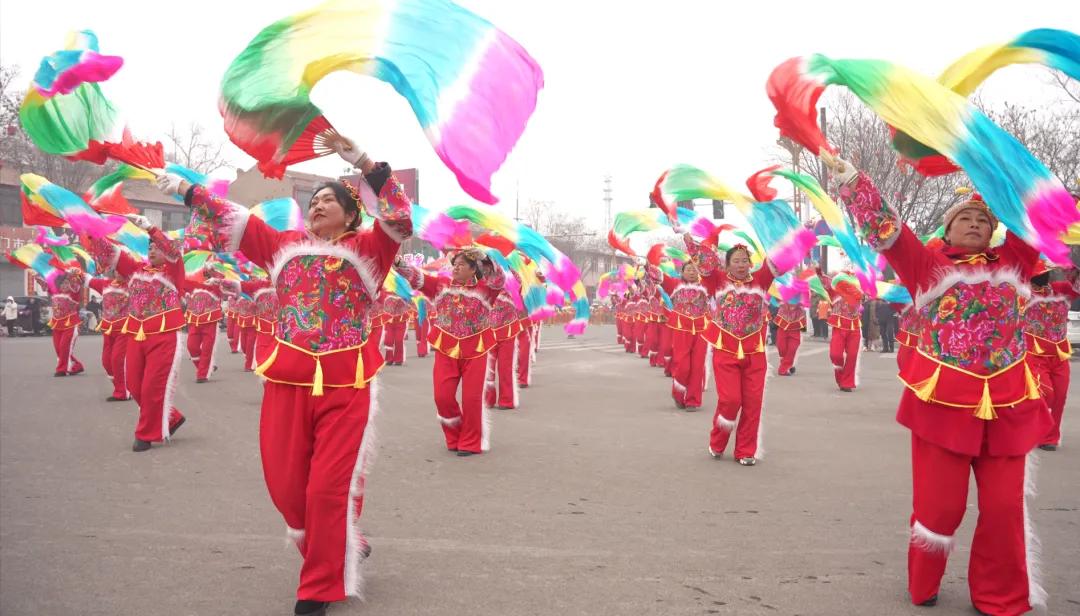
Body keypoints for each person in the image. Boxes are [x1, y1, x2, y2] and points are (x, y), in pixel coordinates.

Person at [157, 134, 412, 616]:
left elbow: (399, 217)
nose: (316, 206)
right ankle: (337, 544)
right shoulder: (283, 245)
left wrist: (360, 160)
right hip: (287, 380)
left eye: (328, 201)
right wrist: (186, 191)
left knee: (325, 489)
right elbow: (232, 218)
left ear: (350, 214)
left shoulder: (371, 249)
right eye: (312, 200)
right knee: (288, 489)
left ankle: (319, 583)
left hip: (347, 384)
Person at [825, 154, 1050, 615]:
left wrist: (1019, 182)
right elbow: (888, 230)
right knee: (940, 508)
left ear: (994, 230)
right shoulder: (928, 268)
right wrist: (851, 179)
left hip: (1008, 405)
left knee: (1005, 510)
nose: (973, 224)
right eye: (963, 218)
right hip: (944, 406)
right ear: (946, 232)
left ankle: (1001, 598)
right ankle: (924, 581)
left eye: (982, 220)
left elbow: (1036, 217)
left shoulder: (1015, 263)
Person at [83, 216, 187, 452]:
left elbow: (173, 251)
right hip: (136, 334)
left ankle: (146, 434)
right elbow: (112, 254)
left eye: (156, 247)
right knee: (134, 384)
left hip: (163, 336)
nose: (152, 250)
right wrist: (90, 228)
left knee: (152, 386)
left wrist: (150, 228)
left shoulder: (173, 272)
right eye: (149, 247)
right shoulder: (136, 270)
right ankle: (170, 417)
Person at [398, 248, 504, 456]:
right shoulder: (441, 286)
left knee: (472, 399)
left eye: (462, 264)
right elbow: (418, 277)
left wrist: (486, 259)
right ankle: (454, 434)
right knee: (442, 396)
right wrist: (398, 263)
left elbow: (499, 279)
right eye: (454, 264)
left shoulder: (485, 289)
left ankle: (471, 441)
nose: (456, 267)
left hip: (476, 349)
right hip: (446, 348)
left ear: (474, 269)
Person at [700, 242, 795, 466]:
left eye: (745, 260)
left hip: (755, 351)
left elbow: (777, 258)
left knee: (753, 403)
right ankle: (718, 440)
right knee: (731, 400)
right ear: (727, 264)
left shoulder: (760, 280)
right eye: (736, 261)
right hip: (725, 349)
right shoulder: (718, 280)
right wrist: (686, 235)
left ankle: (745, 450)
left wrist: (794, 235)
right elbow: (703, 262)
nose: (741, 265)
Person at [658, 235, 718, 410]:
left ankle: (693, 400)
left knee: (698, 366)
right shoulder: (674, 284)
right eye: (688, 269)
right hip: (681, 328)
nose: (692, 271)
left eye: (694, 269)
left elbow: (710, 268)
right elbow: (657, 276)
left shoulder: (706, 286)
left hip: (702, 329)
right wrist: (645, 265)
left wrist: (694, 246)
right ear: (682, 272)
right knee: (683, 365)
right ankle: (678, 393)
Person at [1024, 267, 1079, 452]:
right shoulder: (1024, 292)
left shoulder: (1061, 289)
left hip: (1059, 355)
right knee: (1046, 393)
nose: (1043, 273)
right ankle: (1030, 428)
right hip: (1034, 355)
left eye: (1046, 270)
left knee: (1060, 397)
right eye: (1039, 269)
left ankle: (1050, 438)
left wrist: (1067, 264)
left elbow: (1076, 283)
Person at [817, 267, 863, 392]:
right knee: (835, 355)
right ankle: (840, 375)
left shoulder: (858, 293)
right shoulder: (835, 291)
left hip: (855, 328)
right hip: (839, 326)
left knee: (852, 356)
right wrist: (818, 271)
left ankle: (847, 383)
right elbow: (825, 282)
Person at [88, 272, 131, 401]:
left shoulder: (133, 285)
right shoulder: (105, 284)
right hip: (108, 329)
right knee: (107, 361)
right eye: (117, 269)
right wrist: (71, 270)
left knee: (118, 359)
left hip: (124, 329)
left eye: (122, 269)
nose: (119, 272)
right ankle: (124, 386)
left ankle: (123, 391)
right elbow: (86, 279)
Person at [43, 268, 87, 376]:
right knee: (59, 349)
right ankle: (76, 366)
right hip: (57, 324)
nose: (65, 285)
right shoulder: (54, 292)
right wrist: (38, 277)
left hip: (70, 325)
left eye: (67, 283)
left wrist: (72, 275)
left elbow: (77, 283)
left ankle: (62, 370)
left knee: (64, 348)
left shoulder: (74, 293)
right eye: (63, 283)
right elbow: (45, 285)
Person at [185, 266, 225, 383]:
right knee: (191, 347)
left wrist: (214, 271)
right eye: (203, 271)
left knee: (207, 349)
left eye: (206, 272)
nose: (204, 273)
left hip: (209, 320)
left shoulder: (215, 283)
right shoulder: (193, 282)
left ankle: (202, 374)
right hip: (194, 319)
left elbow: (220, 288)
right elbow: (180, 282)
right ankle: (206, 367)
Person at [774, 298, 807, 376]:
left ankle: (783, 369)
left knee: (792, 349)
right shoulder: (782, 298)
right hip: (783, 327)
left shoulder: (801, 302)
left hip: (795, 328)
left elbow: (806, 303)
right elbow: (775, 299)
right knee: (781, 348)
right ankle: (787, 363)